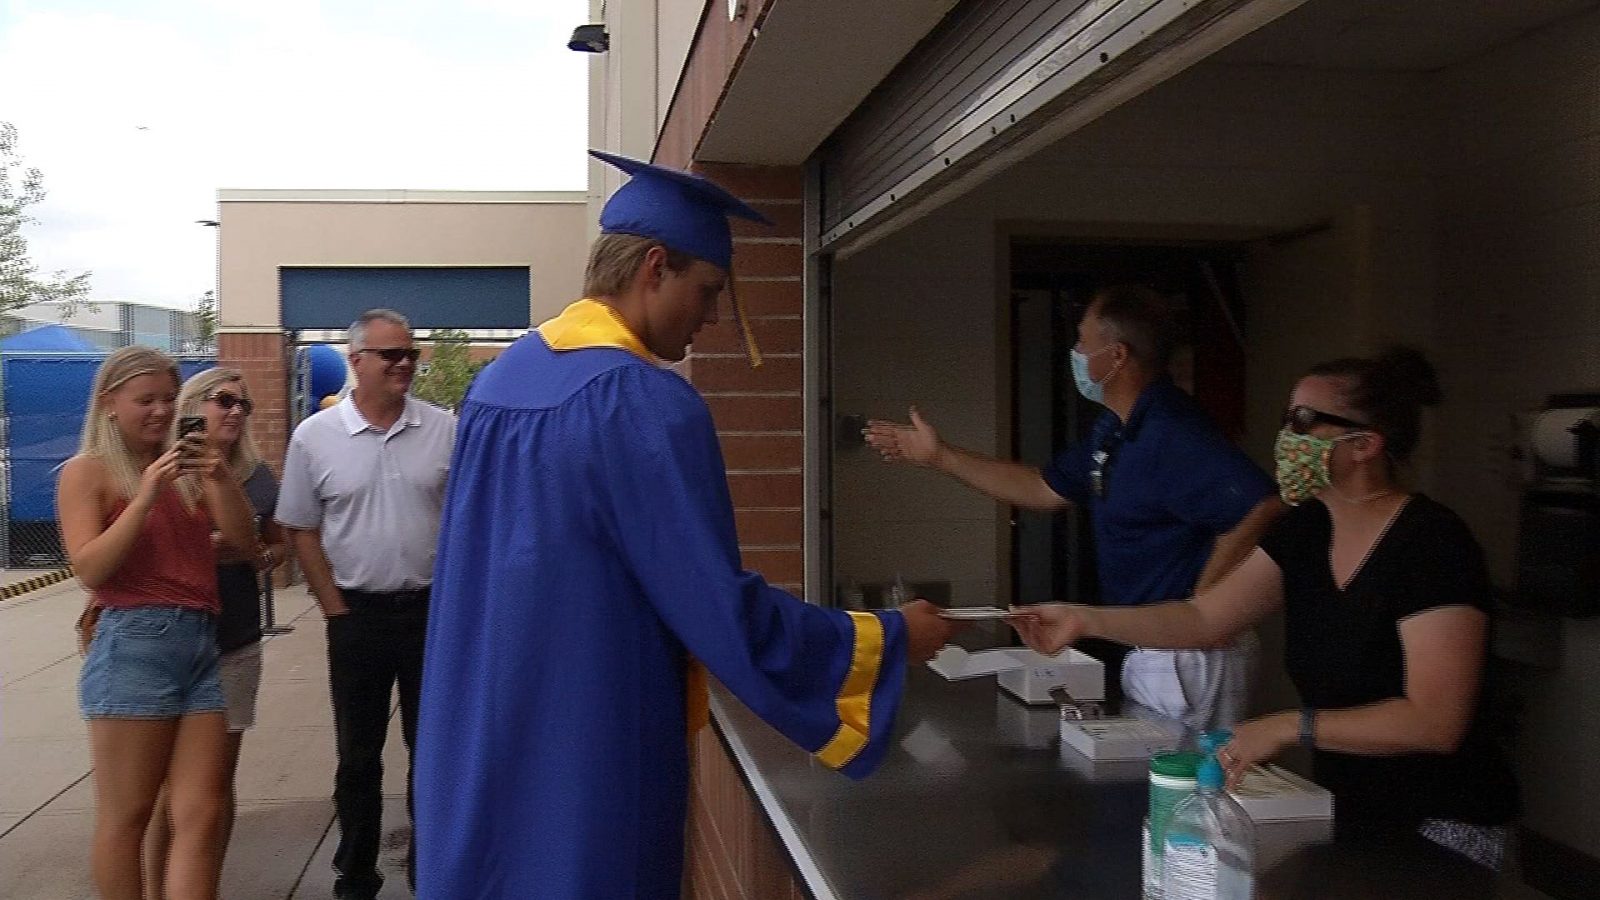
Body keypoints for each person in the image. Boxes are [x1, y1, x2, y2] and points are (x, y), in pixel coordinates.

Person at [413, 150, 958, 899]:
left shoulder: (498, 384)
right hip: (584, 758)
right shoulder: (640, 403)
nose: (713, 319)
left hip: (479, 746)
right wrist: (887, 640)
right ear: (654, 267)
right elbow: (719, 610)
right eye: (708, 292)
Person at [1012, 347, 1520, 868]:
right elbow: (1205, 619)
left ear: (1365, 444)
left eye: (1303, 421)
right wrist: (1083, 619)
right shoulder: (1306, 531)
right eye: (1286, 418)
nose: (1286, 437)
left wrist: (1286, 727)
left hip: (1445, 825)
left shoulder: (1432, 543)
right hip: (1350, 811)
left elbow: (1435, 721)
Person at [866, 285, 1281, 730]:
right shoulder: (1117, 429)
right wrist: (941, 457)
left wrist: (1205, 603)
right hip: (1151, 644)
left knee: (1187, 772)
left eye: (1083, 341)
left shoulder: (1171, 431)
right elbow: (1043, 487)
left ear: (1117, 356)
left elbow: (1262, 505)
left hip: (1189, 652)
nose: (1076, 353)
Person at [58, 347, 256, 900]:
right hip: (133, 643)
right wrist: (143, 496)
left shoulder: (186, 469)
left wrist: (218, 476)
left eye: (169, 399)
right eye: (146, 400)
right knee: (128, 816)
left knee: (201, 812)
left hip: (200, 641)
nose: (162, 411)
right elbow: (90, 567)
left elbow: (244, 542)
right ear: (108, 403)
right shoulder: (88, 471)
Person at [276, 309, 455, 900]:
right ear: (355, 361)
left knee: (433, 750)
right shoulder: (315, 437)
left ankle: (433, 868)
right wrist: (333, 606)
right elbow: (300, 527)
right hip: (357, 618)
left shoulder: (444, 429)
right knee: (358, 755)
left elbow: (466, 519)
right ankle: (355, 873)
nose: (405, 364)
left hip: (430, 615)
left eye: (410, 353)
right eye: (390, 354)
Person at [143, 367, 287, 900]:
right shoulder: (163, 467)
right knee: (165, 791)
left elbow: (277, 547)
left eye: (243, 404)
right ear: (194, 404)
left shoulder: (256, 475)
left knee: (214, 788)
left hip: (234, 639)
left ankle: (206, 886)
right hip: (167, 641)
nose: (235, 412)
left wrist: (255, 553)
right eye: (224, 400)